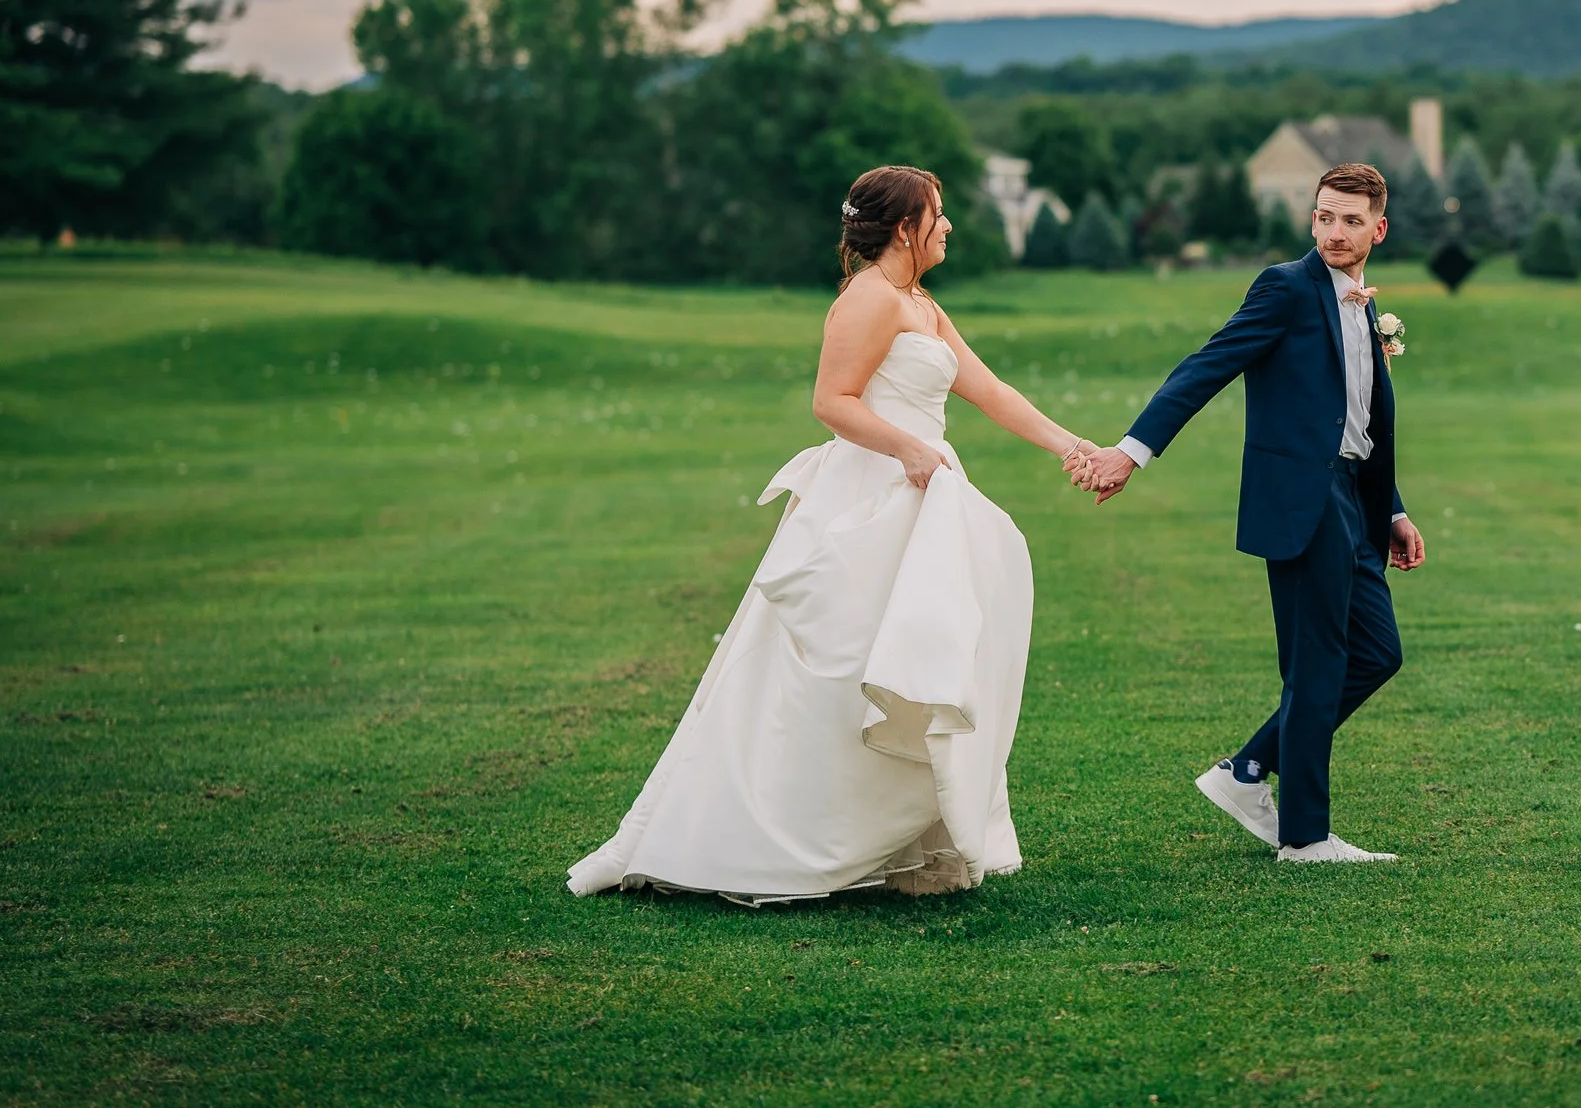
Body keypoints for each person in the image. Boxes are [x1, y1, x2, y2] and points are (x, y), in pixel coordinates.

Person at [568, 165, 1094, 903]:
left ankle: (905, 839)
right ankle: (779, 840)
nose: (947, 225)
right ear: (905, 227)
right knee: (844, 667)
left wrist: (1074, 447)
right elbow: (832, 401)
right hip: (870, 495)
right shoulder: (868, 298)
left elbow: (990, 390)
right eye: (937, 214)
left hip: (921, 499)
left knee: (919, 656)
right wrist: (907, 449)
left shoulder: (920, 302)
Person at [1071, 163, 1426, 863]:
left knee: (1378, 652)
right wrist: (1131, 452)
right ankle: (1305, 837)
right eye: (1324, 216)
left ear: (1379, 229)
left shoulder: (1362, 305)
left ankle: (1247, 770)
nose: (1334, 231)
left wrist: (1392, 509)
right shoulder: (1285, 287)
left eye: (1351, 220)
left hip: (1356, 502)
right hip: (1302, 500)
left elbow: (1359, 419)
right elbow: (1207, 365)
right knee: (1317, 662)